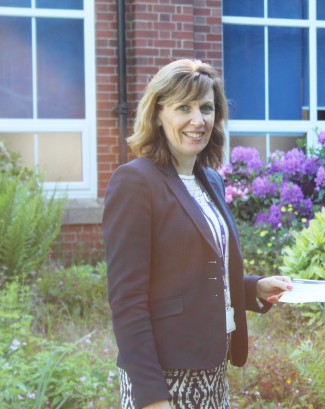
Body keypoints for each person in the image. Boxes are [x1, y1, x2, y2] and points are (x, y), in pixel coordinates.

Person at [103, 59, 292, 409]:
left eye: (206, 108)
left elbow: (200, 271)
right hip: (164, 378)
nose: (198, 120)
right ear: (158, 113)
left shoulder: (211, 181)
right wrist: (152, 398)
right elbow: (127, 302)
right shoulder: (135, 182)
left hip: (213, 372)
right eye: (183, 108)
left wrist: (253, 289)